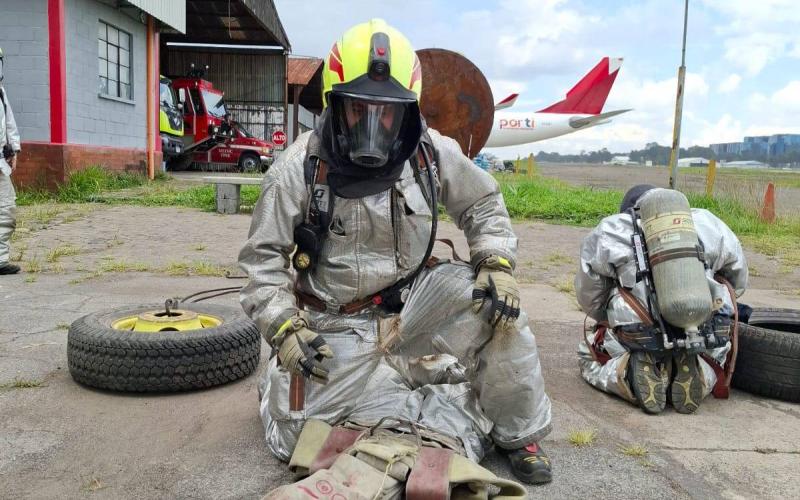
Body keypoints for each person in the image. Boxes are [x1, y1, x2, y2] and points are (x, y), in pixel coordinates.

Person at [239, 19, 553, 484]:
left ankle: (517, 434)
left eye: (385, 112)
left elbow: (483, 202)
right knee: (295, 439)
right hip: (335, 318)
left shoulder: (431, 153)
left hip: (417, 302)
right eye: (358, 108)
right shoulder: (296, 169)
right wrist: (284, 329)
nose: (372, 124)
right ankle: (402, 388)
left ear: (406, 110)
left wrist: (495, 261)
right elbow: (262, 262)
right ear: (335, 103)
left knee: (499, 309)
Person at [575, 184, 748, 414]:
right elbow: (738, 279)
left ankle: (627, 373)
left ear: (629, 209)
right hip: (703, 329)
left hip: (640, 332)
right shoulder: (709, 222)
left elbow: (590, 297)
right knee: (715, 355)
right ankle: (696, 367)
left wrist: (607, 315)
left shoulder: (612, 228)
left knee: (587, 355)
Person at [0, 47, 21, 276]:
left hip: (0, 165)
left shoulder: (1, 94)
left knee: (6, 210)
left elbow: (9, 125)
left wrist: (13, 150)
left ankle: (0, 259)